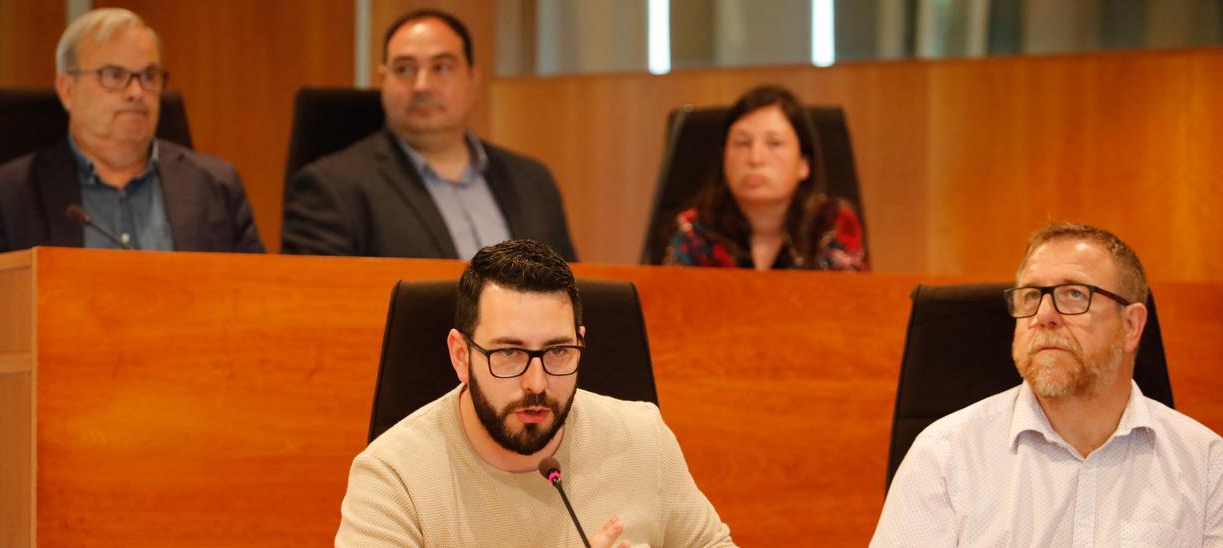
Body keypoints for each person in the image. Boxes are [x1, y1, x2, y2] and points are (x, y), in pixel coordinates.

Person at [336, 239, 734, 547]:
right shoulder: (392, 477)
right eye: (509, 353)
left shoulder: (643, 437)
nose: (537, 384)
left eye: (558, 351)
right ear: (461, 356)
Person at [872, 223, 1222, 547]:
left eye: (1073, 294)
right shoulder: (945, 456)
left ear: (1131, 325)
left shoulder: (1206, 465)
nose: (1043, 316)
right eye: (1030, 296)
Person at [0, 8, 264, 354]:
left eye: (149, 76)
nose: (136, 92)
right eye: (114, 75)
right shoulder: (11, 194)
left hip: (196, 390)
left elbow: (261, 312)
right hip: (64, 397)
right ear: (67, 89)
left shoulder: (216, 186)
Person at [281, 9, 576, 262]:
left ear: (472, 79)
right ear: (383, 81)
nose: (422, 85)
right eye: (405, 69)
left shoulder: (532, 181)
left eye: (441, 67)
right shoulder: (330, 189)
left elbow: (573, 297)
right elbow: (323, 310)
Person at [664, 84, 866, 271]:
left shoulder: (832, 223)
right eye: (742, 143)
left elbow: (851, 304)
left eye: (774, 143)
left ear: (804, 164)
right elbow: (673, 305)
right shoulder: (696, 229)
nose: (755, 158)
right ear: (723, 158)